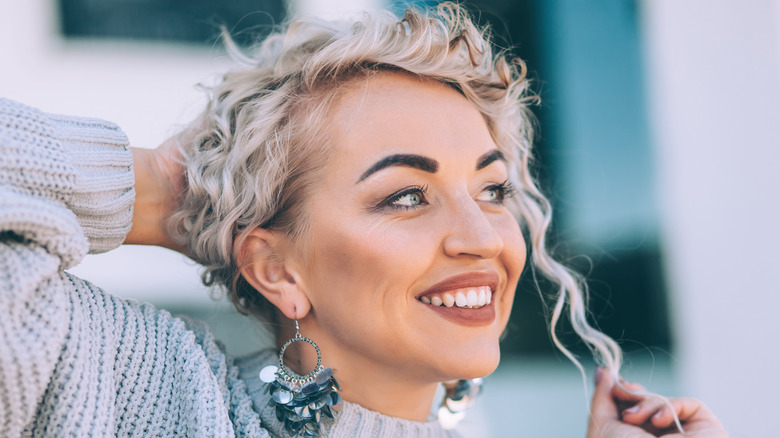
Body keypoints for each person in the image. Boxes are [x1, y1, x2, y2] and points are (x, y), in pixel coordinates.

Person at [0, 3, 726, 437]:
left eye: (493, 190)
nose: (481, 239)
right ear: (275, 267)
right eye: (405, 196)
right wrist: (160, 188)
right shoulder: (135, 390)